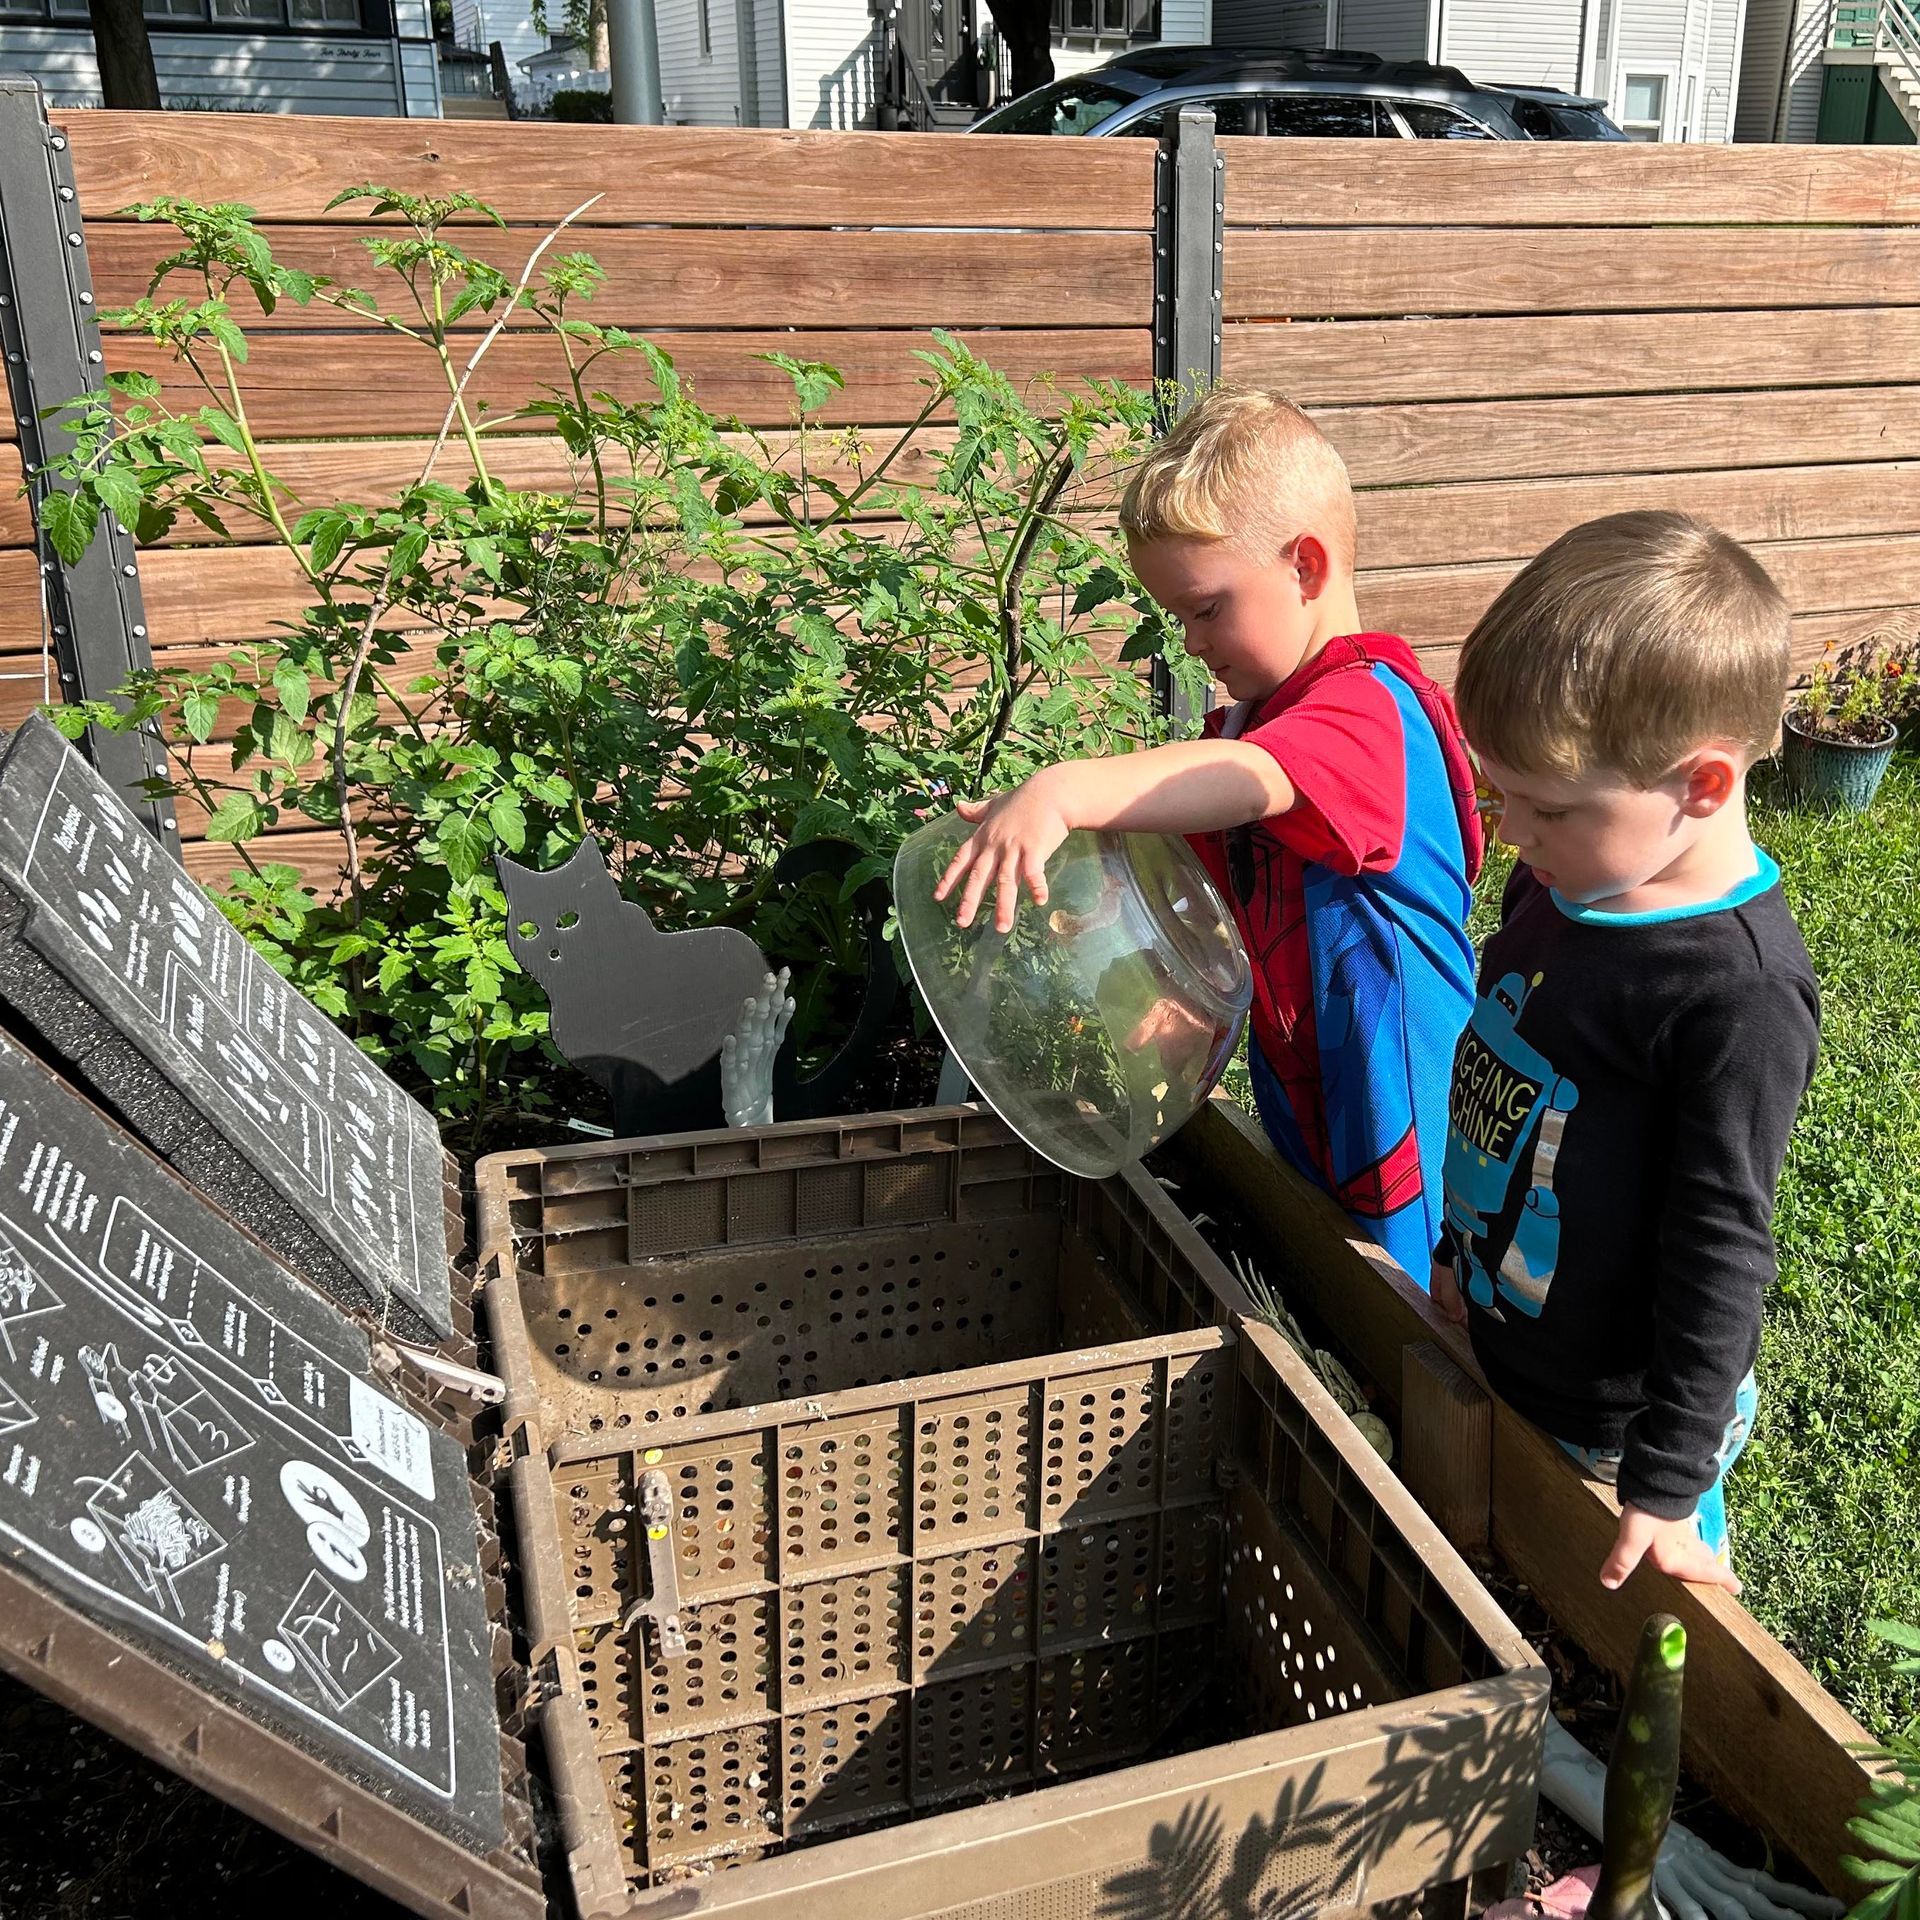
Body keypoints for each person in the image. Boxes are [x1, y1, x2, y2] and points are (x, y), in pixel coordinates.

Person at [933, 386, 1483, 1281]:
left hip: (1406, 1104)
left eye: (1207, 607)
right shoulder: (1251, 729)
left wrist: (1068, 788)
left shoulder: (1369, 709)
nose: (1189, 641)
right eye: (1177, 615)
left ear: (1305, 566)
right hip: (1309, 1082)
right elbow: (1203, 895)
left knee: (1414, 1313)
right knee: (1325, 1272)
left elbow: (1251, 784)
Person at [1431, 510, 1821, 1594]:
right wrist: (1463, 1259)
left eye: (1546, 806)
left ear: (1700, 785)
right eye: (1499, 793)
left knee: (1629, 1612)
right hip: (1512, 1339)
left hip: (1624, 1420)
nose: (1510, 832)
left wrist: (1664, 1481)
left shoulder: (1737, 995)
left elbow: (1720, 1247)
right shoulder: (1566, 882)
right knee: (1514, 1566)